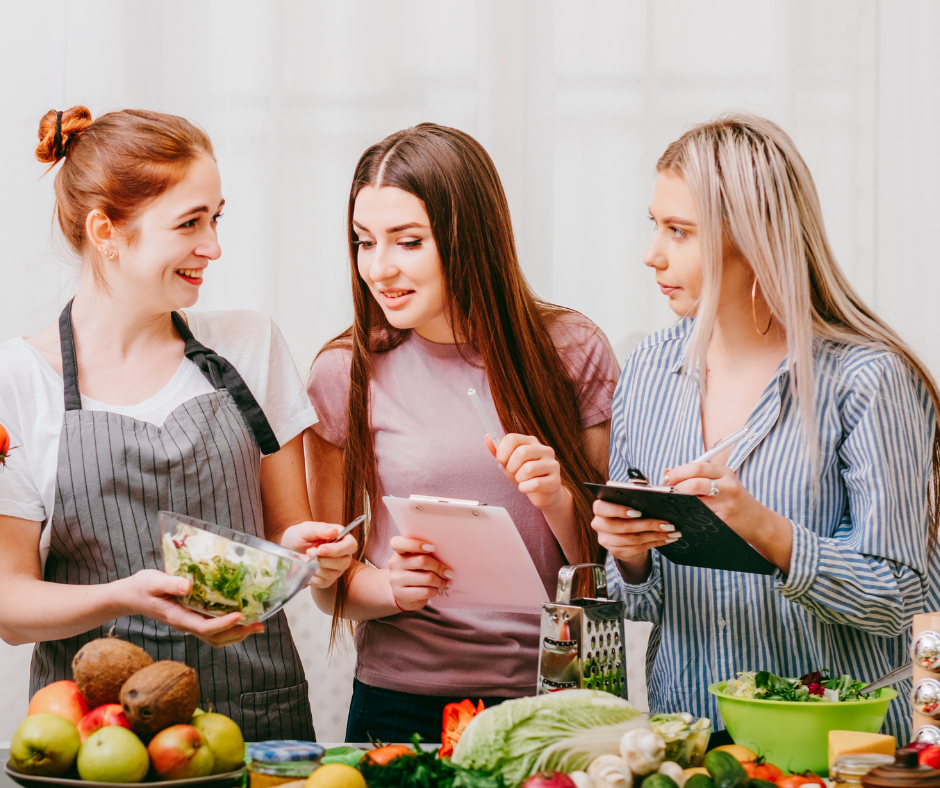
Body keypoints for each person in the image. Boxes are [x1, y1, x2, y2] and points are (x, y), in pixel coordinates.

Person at [0, 107, 357, 741]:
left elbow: (285, 535)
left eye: (216, 218)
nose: (213, 247)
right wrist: (124, 595)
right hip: (98, 735)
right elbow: (10, 605)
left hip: (256, 717)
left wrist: (313, 556)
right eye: (190, 223)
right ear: (106, 231)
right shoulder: (19, 380)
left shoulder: (248, 345)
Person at [592, 112, 940, 742]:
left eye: (679, 231)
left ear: (751, 239)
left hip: (835, 752)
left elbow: (904, 597)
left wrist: (763, 529)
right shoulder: (647, 369)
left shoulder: (867, 380)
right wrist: (630, 556)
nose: (653, 255)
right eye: (655, 226)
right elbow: (638, 605)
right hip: (690, 748)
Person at [305, 123, 620, 742]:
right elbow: (331, 583)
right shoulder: (344, 372)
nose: (379, 268)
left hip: (552, 699)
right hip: (401, 705)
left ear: (468, 238)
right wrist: (391, 589)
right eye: (365, 242)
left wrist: (556, 498)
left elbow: (608, 566)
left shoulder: (572, 351)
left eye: (408, 242)